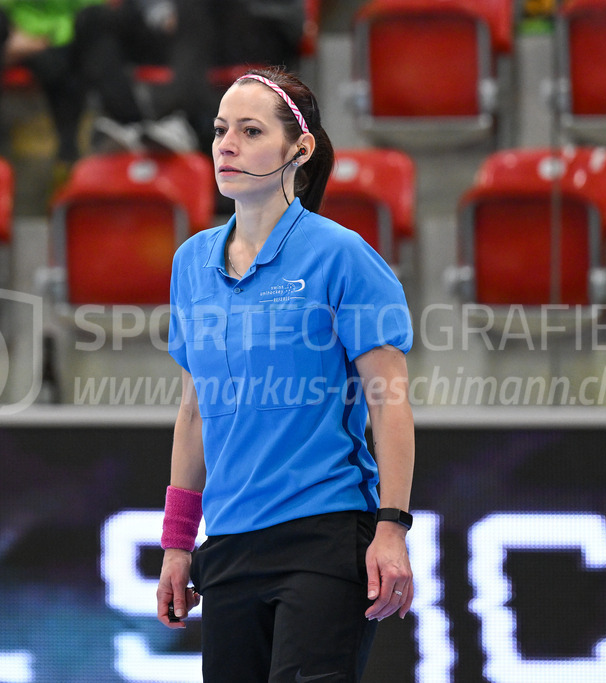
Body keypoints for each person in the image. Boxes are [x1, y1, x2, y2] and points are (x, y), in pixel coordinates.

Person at [155, 67, 416, 682]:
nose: (227, 145)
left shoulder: (343, 254)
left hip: (324, 535)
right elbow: (193, 412)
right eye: (221, 130)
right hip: (229, 544)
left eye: (249, 131)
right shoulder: (191, 262)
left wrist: (393, 527)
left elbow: (391, 402)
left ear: (298, 149)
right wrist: (176, 543)